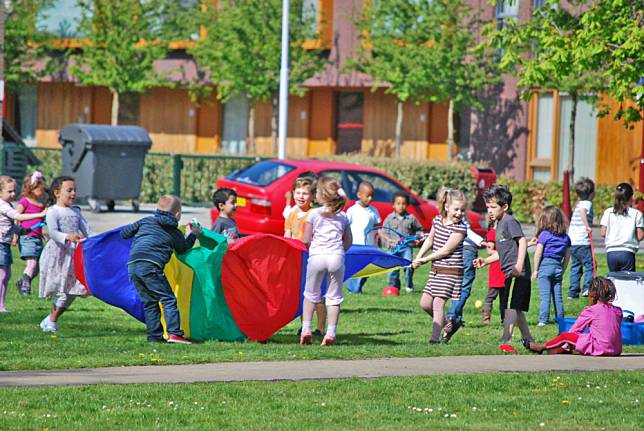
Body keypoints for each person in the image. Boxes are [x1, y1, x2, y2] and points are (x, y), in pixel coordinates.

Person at [120, 195, 201, 344]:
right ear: (177, 215)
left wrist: (136, 231)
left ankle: (154, 337)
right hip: (151, 267)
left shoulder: (145, 221)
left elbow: (124, 233)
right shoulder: (174, 232)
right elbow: (183, 249)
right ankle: (174, 334)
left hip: (132, 266)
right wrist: (194, 234)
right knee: (168, 299)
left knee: (150, 302)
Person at [474, 184, 534, 344]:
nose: (490, 210)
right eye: (488, 207)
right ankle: (528, 338)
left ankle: (506, 337)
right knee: (517, 308)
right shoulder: (499, 224)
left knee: (509, 306)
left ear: (505, 206)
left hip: (517, 272)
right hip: (510, 272)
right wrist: (485, 261)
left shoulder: (509, 221)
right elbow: (503, 252)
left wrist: (518, 266)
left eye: (493, 207)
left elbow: (522, 242)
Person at [300, 176, 352, 346]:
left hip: (317, 256)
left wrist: (312, 248)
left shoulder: (313, 214)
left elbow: (306, 239)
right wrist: (340, 251)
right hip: (336, 257)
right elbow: (348, 241)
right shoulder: (343, 216)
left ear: (320, 196)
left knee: (310, 294)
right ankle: (330, 332)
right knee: (334, 297)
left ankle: (306, 329)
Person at [413, 189, 467, 344]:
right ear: (447, 207)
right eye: (456, 209)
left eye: (462, 210)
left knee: (438, 304)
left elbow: (446, 250)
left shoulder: (460, 228)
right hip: (436, 270)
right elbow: (430, 240)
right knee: (424, 303)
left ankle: (434, 340)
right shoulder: (437, 220)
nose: (459, 213)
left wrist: (425, 260)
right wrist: (418, 257)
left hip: (451, 272)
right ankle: (448, 325)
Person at [524, 277, 622, 356]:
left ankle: (541, 347)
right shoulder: (618, 311)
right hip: (616, 349)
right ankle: (563, 348)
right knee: (585, 337)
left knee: (565, 336)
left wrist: (566, 343)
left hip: (600, 348)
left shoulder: (591, 310)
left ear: (592, 295)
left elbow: (574, 330)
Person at [38, 176, 88, 332]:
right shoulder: (53, 211)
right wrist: (67, 237)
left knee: (73, 290)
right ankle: (51, 321)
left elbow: (87, 229)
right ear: (57, 193)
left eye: (74, 190)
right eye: (69, 190)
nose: (73, 193)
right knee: (63, 290)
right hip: (59, 255)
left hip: (74, 255)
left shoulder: (76, 211)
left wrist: (95, 240)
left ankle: (50, 320)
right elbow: (52, 232)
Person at [284, 176, 326, 337]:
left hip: (314, 257)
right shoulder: (292, 214)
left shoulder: (315, 214)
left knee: (319, 295)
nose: (301, 196)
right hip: (297, 259)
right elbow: (287, 235)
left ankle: (321, 328)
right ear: (293, 193)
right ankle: (305, 326)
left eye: (305, 193)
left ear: (313, 196)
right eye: (298, 192)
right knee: (304, 294)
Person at [0, 176, 47, 311]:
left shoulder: (7, 205)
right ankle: (1, 306)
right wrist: (40, 214)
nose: (13, 194)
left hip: (5, 244)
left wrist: (23, 231)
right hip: (1, 243)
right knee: (3, 275)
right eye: (9, 191)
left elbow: (10, 225)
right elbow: (18, 217)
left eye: (14, 191)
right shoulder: (3, 205)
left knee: (6, 275)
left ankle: (2, 305)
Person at [532, 206, 571, 326]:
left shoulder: (544, 235)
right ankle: (560, 319)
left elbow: (538, 253)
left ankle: (543, 320)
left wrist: (535, 270)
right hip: (558, 266)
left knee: (545, 296)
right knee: (557, 296)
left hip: (545, 267)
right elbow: (568, 257)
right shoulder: (566, 238)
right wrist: (562, 270)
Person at [444, 214, 485, 331]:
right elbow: (467, 231)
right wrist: (481, 240)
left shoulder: (446, 219)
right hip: (468, 252)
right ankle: (452, 315)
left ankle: (457, 317)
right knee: (464, 287)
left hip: (454, 253)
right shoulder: (460, 220)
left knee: (457, 286)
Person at [381, 191, 423, 293]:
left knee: (408, 266)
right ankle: (393, 287)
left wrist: (418, 237)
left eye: (404, 204)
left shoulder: (411, 218)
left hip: (406, 247)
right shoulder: (389, 218)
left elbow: (419, 229)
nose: (401, 206)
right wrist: (389, 241)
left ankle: (409, 286)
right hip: (393, 248)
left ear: (407, 205)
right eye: (398, 204)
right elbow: (384, 232)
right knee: (392, 269)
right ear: (393, 205)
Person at [14, 171, 48, 296]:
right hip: (27, 237)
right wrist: (15, 235)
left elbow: (40, 221)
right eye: (40, 188)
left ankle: (22, 282)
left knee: (37, 268)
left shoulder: (40, 204)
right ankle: (25, 289)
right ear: (31, 188)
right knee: (32, 263)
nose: (42, 190)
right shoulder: (24, 201)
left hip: (37, 238)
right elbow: (17, 218)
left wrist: (42, 232)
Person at [345, 181, 381, 294]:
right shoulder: (352, 211)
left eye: (372, 196)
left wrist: (380, 240)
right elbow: (345, 226)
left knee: (367, 269)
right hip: (354, 245)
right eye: (367, 195)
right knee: (355, 268)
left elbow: (377, 228)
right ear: (359, 195)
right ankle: (353, 289)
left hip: (369, 246)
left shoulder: (373, 211)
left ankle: (357, 287)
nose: (370, 198)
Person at [600, 183, 644, 272]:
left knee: (614, 281)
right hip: (627, 252)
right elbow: (640, 236)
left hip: (611, 253)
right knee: (627, 282)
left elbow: (603, 233)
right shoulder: (636, 214)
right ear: (631, 197)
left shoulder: (608, 212)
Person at [568, 177, 595, 298]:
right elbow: (583, 212)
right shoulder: (587, 204)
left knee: (575, 266)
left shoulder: (578, 204)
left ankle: (572, 292)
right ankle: (587, 288)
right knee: (590, 265)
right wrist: (587, 226)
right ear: (592, 193)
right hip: (583, 242)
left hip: (573, 241)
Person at [481, 221, 507, 324]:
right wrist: (503, 253)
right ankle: (486, 318)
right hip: (496, 267)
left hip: (505, 268)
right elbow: (489, 251)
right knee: (491, 294)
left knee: (504, 296)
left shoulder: (505, 232)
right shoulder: (493, 232)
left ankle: (504, 319)